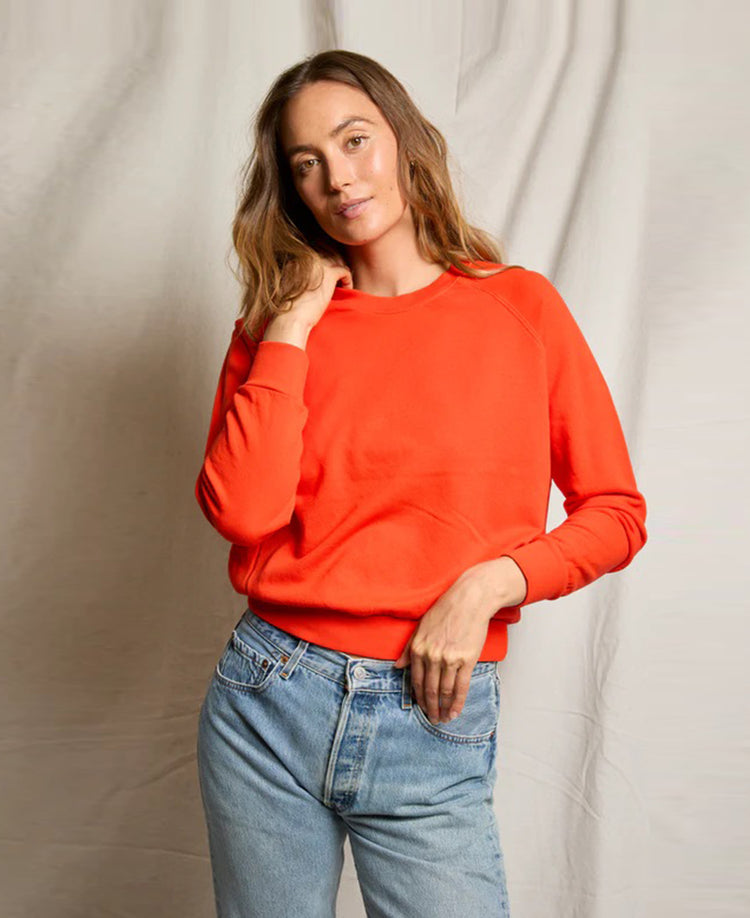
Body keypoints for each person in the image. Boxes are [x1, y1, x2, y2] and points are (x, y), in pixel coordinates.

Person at [194, 49, 648, 918]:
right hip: (268, 698)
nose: (338, 178)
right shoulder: (277, 331)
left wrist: (488, 585)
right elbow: (245, 512)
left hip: (432, 708)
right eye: (306, 163)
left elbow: (616, 513)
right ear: (291, 188)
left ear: (403, 139)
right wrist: (290, 325)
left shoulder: (521, 310)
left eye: (354, 140)